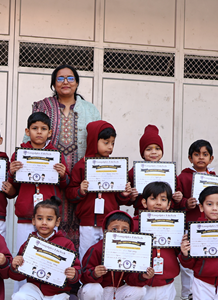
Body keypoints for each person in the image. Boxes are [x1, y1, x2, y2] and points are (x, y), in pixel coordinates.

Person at [30, 64, 102, 252]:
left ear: (77, 83)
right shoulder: (44, 107)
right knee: (49, 217)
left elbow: (98, 140)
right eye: (60, 78)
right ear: (54, 83)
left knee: (80, 223)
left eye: (70, 78)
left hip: (80, 177)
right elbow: (30, 139)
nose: (65, 82)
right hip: (50, 176)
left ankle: (75, 266)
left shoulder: (90, 110)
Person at [9, 113, 70, 294]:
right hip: (26, 215)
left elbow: (66, 184)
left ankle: (49, 294)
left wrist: (63, 175)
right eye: (35, 128)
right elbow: (12, 188)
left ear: (49, 132)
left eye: (43, 129)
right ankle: (22, 295)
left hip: (48, 216)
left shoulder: (56, 155)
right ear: (27, 131)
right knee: (24, 257)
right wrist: (11, 173)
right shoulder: (19, 154)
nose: (39, 132)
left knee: (48, 256)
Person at [10, 197, 81, 300]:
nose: (44, 223)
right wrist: (15, 265)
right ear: (33, 220)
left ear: (57, 221)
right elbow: (18, 276)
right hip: (34, 289)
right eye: (39, 218)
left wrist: (74, 274)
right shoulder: (28, 244)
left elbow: (77, 269)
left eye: (49, 219)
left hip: (57, 293)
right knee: (18, 298)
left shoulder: (66, 244)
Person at [66, 120, 132, 260]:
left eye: (113, 143)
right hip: (88, 223)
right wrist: (80, 190)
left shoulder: (115, 167)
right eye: (106, 142)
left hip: (110, 223)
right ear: (93, 141)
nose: (110, 147)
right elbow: (70, 193)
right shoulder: (81, 166)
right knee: (86, 256)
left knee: (110, 256)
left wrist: (124, 194)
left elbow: (120, 198)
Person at [79, 211, 150, 300]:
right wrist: (94, 273)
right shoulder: (96, 249)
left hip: (116, 294)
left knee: (140, 290)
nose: (120, 232)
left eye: (125, 230)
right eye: (115, 229)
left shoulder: (131, 251)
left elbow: (131, 279)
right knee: (92, 287)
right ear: (105, 230)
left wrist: (143, 276)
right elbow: (83, 275)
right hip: (97, 293)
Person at [130, 182, 181, 300]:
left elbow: (181, 253)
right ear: (144, 202)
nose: (158, 203)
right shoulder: (135, 224)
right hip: (143, 283)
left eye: (163, 199)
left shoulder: (176, 224)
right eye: (153, 198)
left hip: (165, 281)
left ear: (169, 204)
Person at [176, 139, 217, 300]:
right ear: (189, 157)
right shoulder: (183, 177)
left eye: (205, 154)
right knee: (188, 264)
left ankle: (203, 296)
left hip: (209, 227)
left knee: (205, 261)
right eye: (196, 154)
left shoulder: (215, 178)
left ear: (211, 158)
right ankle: (187, 296)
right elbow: (176, 201)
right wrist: (186, 202)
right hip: (190, 225)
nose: (201, 157)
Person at [128, 125, 182, 216]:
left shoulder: (169, 170)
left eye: (157, 148)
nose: (154, 152)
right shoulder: (134, 171)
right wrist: (131, 197)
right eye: (149, 149)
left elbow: (177, 191)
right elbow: (124, 196)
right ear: (142, 153)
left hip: (165, 215)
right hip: (141, 214)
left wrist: (178, 197)